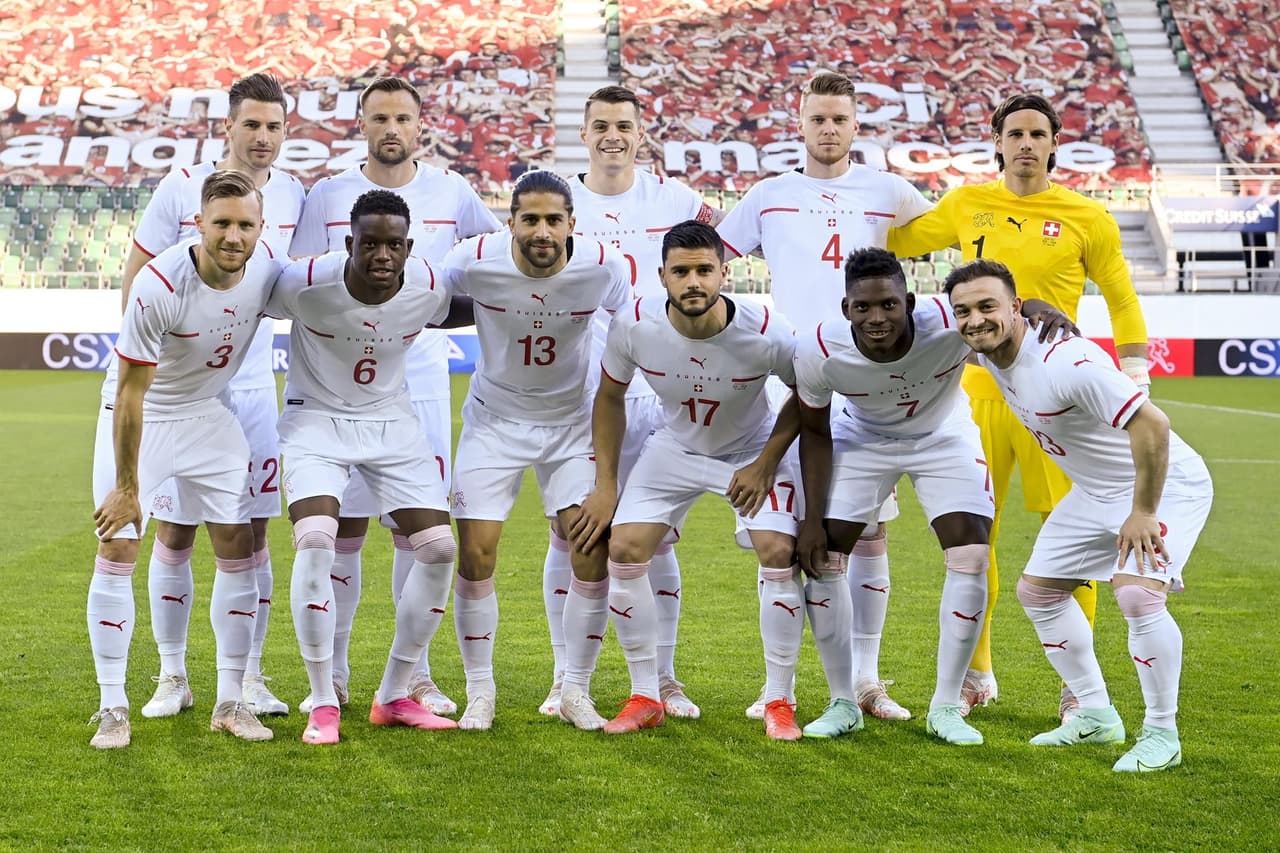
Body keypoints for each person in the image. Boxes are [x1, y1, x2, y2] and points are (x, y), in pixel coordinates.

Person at [888, 92, 1151, 721]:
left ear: (1056, 142)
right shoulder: (966, 203)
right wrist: (868, 193)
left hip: (1060, 400)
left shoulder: (1087, 216)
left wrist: (1135, 367)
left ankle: (1074, 684)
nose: (1027, 143)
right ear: (997, 141)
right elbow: (896, 239)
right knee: (979, 537)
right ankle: (978, 672)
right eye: (1016, 133)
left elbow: (1121, 295)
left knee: (1079, 538)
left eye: (1038, 133)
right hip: (977, 393)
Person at [717, 71, 934, 721]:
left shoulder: (889, 190)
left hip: (866, 384)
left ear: (856, 125)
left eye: (840, 119)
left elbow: (943, 240)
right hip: (791, 383)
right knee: (779, 537)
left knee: (867, 533)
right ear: (800, 122)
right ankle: (776, 685)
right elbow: (711, 261)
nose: (829, 129)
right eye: (818, 119)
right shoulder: (770, 195)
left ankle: (866, 680)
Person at [792, 247, 1073, 743]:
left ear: (911, 301)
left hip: (942, 435)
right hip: (861, 438)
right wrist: (812, 518)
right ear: (845, 309)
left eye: (889, 305)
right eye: (863, 308)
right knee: (825, 558)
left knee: (970, 553)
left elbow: (996, 307)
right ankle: (842, 700)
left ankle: (945, 706)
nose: (877, 318)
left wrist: (1032, 307)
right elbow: (814, 432)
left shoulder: (947, 323)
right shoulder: (819, 348)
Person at [945, 259, 1211, 772]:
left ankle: (1163, 733)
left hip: (1163, 484)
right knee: (1040, 592)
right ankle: (1095, 713)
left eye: (987, 307)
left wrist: (1143, 511)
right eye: (964, 311)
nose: (974, 320)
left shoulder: (1068, 362)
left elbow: (1153, 425)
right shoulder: (989, 345)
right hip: (1096, 489)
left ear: (1015, 307)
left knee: (1135, 593)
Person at [290, 76, 501, 716]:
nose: (390, 128)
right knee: (344, 530)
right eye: (378, 116)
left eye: (401, 118)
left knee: (418, 537)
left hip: (422, 381)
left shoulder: (453, 192)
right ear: (361, 124)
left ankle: (419, 675)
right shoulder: (327, 195)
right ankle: (342, 669)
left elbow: (496, 261)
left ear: (419, 126)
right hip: (335, 386)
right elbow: (297, 282)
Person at [110, 72, 303, 721]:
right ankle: (172, 674)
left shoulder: (297, 193)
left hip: (248, 385)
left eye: (274, 126)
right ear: (228, 127)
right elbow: (138, 277)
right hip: (178, 390)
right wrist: (142, 374)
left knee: (249, 532)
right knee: (175, 527)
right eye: (251, 124)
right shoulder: (180, 186)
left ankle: (246, 676)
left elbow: (284, 285)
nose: (263, 138)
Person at [572, 221, 806, 740]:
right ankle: (645, 695)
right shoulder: (635, 322)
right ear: (662, 276)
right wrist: (606, 484)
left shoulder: (767, 328)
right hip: (675, 446)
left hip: (750, 449)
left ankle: (779, 699)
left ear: (726, 272)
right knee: (625, 548)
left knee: (776, 549)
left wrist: (767, 461)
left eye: (705, 270)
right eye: (681, 272)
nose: (693, 282)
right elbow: (608, 397)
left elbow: (808, 396)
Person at [536, 84, 722, 720]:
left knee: (658, 539)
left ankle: (664, 677)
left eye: (624, 125)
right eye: (600, 126)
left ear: (642, 134)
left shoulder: (675, 200)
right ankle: (567, 678)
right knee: (572, 535)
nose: (612, 135)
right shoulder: (559, 200)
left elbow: (715, 255)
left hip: (656, 393)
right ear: (582, 135)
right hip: (573, 391)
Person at [268, 190, 474, 745]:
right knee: (316, 540)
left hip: (392, 424)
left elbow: (480, 306)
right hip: (316, 424)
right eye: (370, 243)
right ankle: (324, 700)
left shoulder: (428, 285)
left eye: (394, 245)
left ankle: (394, 694)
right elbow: (242, 300)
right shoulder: (303, 281)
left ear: (409, 247)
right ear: (348, 243)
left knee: (438, 550)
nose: (382, 255)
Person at [89, 171, 284, 748]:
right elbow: (130, 392)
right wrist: (127, 485)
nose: (233, 236)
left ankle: (229, 701)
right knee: (119, 542)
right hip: (141, 417)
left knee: (239, 544)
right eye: (221, 222)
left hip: (207, 415)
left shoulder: (267, 270)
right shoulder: (160, 284)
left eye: (245, 224)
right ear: (198, 223)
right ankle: (112, 706)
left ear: (260, 229)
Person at [441, 171, 631, 732]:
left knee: (590, 550)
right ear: (511, 223)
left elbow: (636, 325)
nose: (542, 230)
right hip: (493, 422)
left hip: (571, 423)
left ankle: (574, 688)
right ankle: (480, 691)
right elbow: (421, 293)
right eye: (530, 219)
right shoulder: (473, 259)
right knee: (475, 554)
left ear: (573, 223)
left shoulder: (604, 265)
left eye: (554, 219)